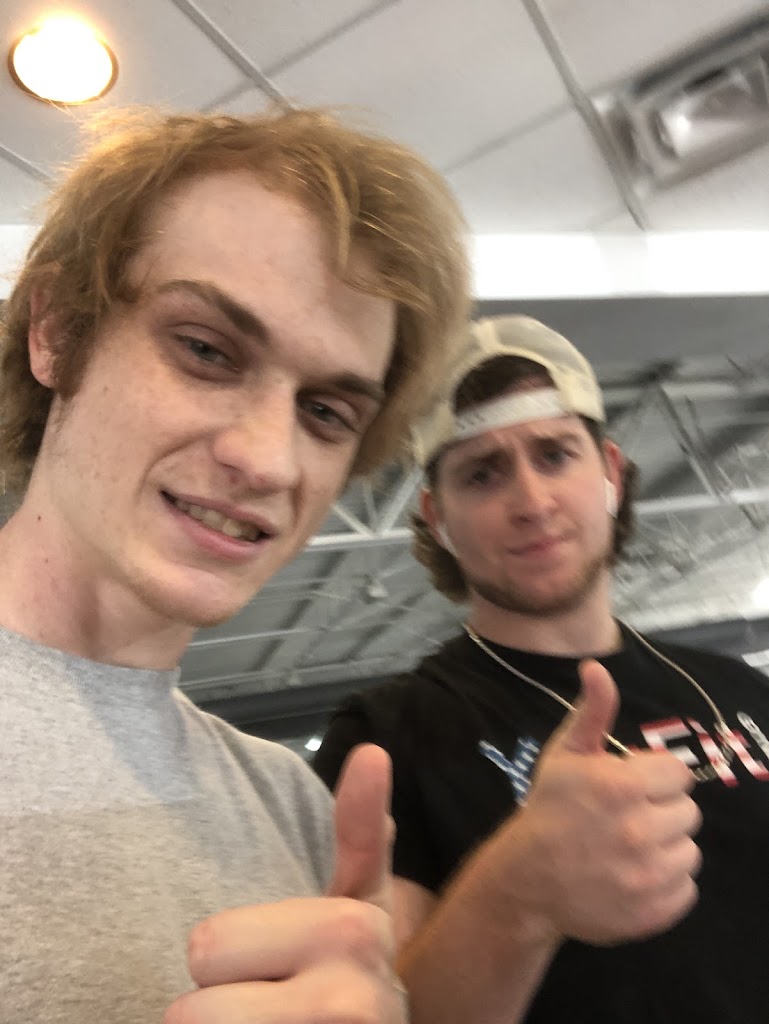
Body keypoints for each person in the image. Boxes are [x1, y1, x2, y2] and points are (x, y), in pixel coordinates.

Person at [0, 105, 470, 1023]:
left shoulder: (290, 805)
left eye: (326, 412)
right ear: (55, 329)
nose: (267, 460)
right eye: (206, 351)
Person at [314, 315, 769, 1024]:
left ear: (609, 473)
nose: (531, 502)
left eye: (554, 455)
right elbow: (385, 1009)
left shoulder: (739, 687)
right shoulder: (385, 742)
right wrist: (515, 896)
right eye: (482, 473)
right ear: (436, 517)